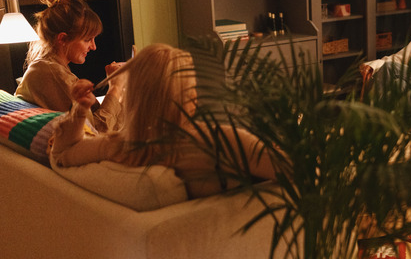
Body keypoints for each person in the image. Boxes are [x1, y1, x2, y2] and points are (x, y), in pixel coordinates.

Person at [49, 43, 277, 198]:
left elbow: (61, 154)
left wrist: (80, 109)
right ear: (188, 95)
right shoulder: (219, 141)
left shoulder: (121, 146)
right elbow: (299, 173)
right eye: (192, 87)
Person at [15, 0, 124, 133]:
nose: (94, 47)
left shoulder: (49, 67)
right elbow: (96, 132)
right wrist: (115, 87)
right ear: (63, 39)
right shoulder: (51, 73)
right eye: (87, 40)